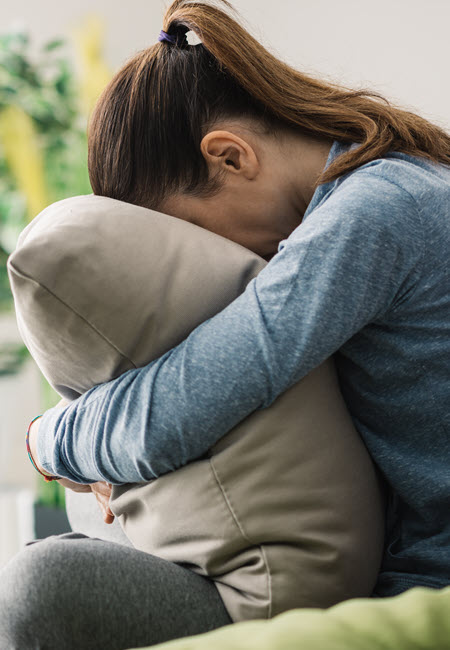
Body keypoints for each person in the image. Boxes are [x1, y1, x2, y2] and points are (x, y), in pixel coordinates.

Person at [2, 0, 450, 647]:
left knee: (43, 586)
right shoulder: (404, 185)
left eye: (190, 232)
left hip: (426, 584)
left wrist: (45, 442)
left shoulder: (370, 215)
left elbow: (176, 409)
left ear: (230, 158)